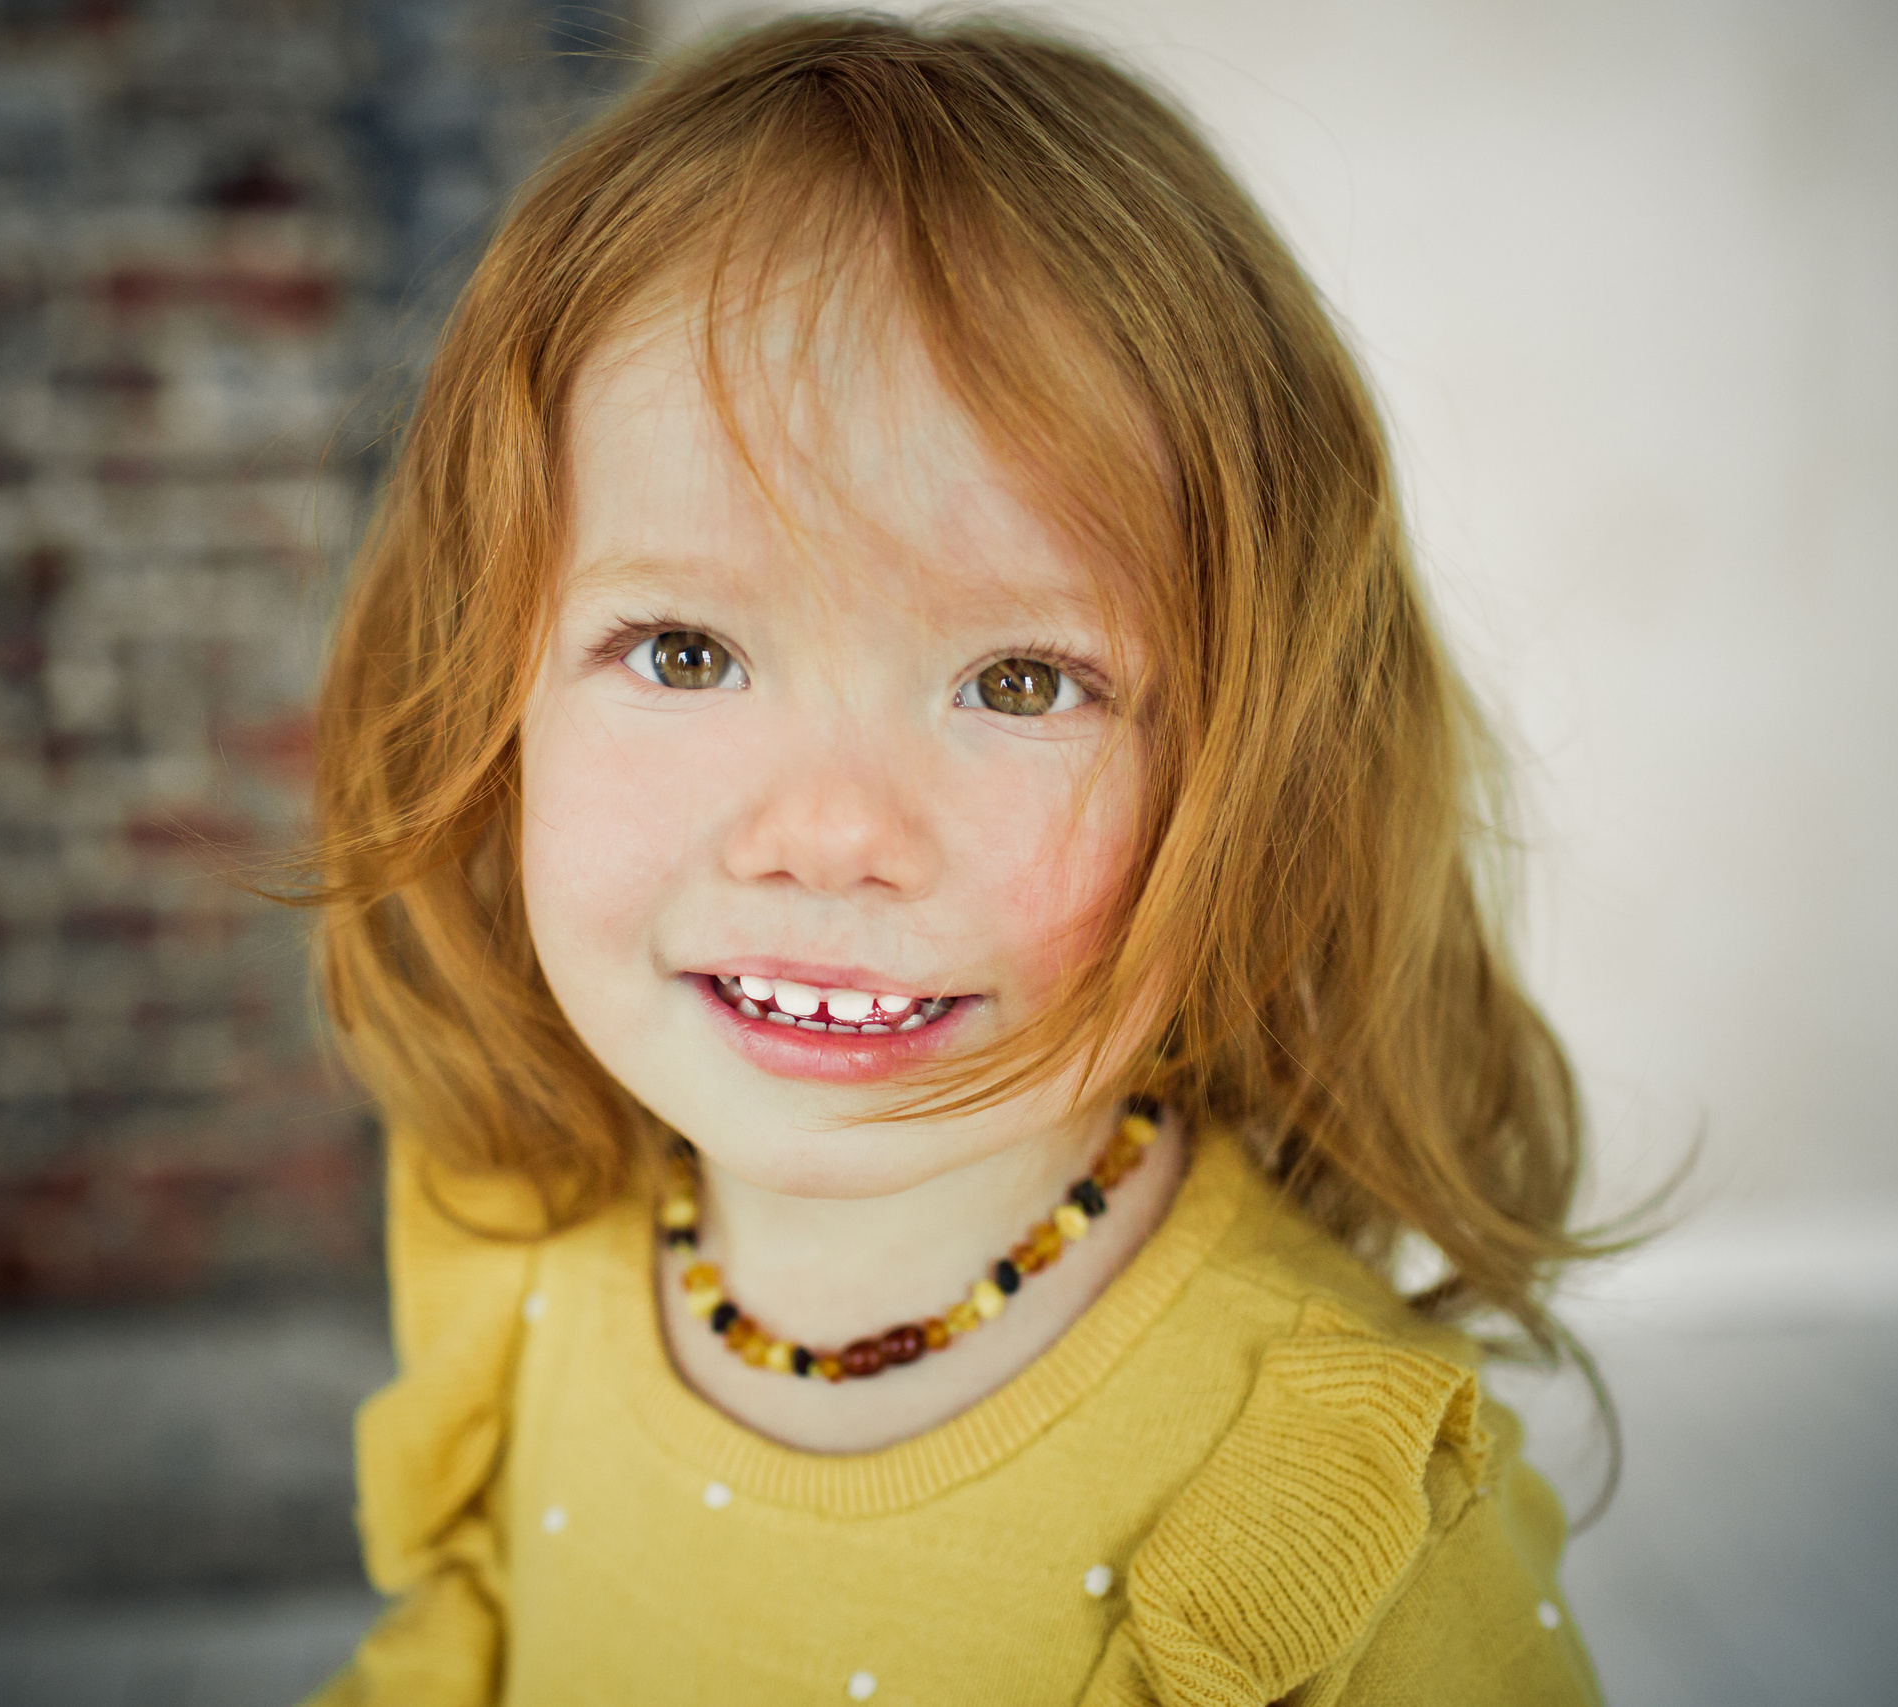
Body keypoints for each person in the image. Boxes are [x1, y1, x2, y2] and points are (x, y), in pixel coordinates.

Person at [300, 12, 1605, 1703]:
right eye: (687, 652)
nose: (831, 834)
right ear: (489, 686)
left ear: (1254, 763)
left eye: (1019, 681)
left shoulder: (1330, 1516)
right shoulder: (520, 1252)